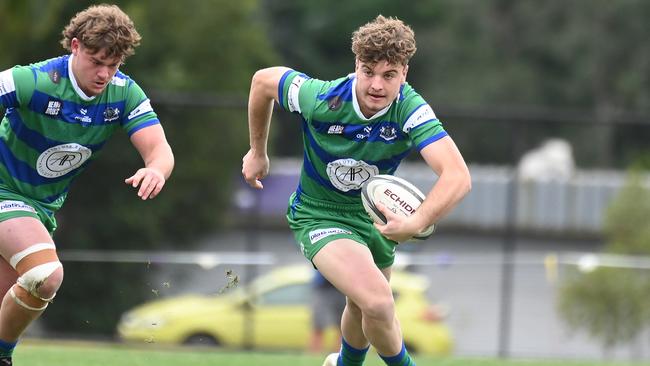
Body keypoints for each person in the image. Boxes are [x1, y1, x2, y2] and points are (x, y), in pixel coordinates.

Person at [242, 15, 470, 366]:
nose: (377, 85)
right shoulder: (322, 98)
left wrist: (418, 220)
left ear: (404, 74)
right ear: (356, 66)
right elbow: (262, 82)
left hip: (373, 218)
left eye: (389, 75)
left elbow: (457, 176)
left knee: (366, 309)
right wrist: (258, 151)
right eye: (368, 72)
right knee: (379, 302)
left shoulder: (409, 109)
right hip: (319, 214)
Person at [0, 5, 174, 365]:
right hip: (5, 193)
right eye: (97, 61)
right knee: (45, 275)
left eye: (113, 65)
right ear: (75, 46)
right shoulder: (36, 80)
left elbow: (159, 149)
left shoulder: (123, 93)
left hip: (40, 208)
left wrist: (156, 170)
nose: (104, 73)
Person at [309, 270, 346, 353]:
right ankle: (314, 355)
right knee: (318, 326)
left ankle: (339, 356)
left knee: (344, 327)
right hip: (323, 289)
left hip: (342, 288)